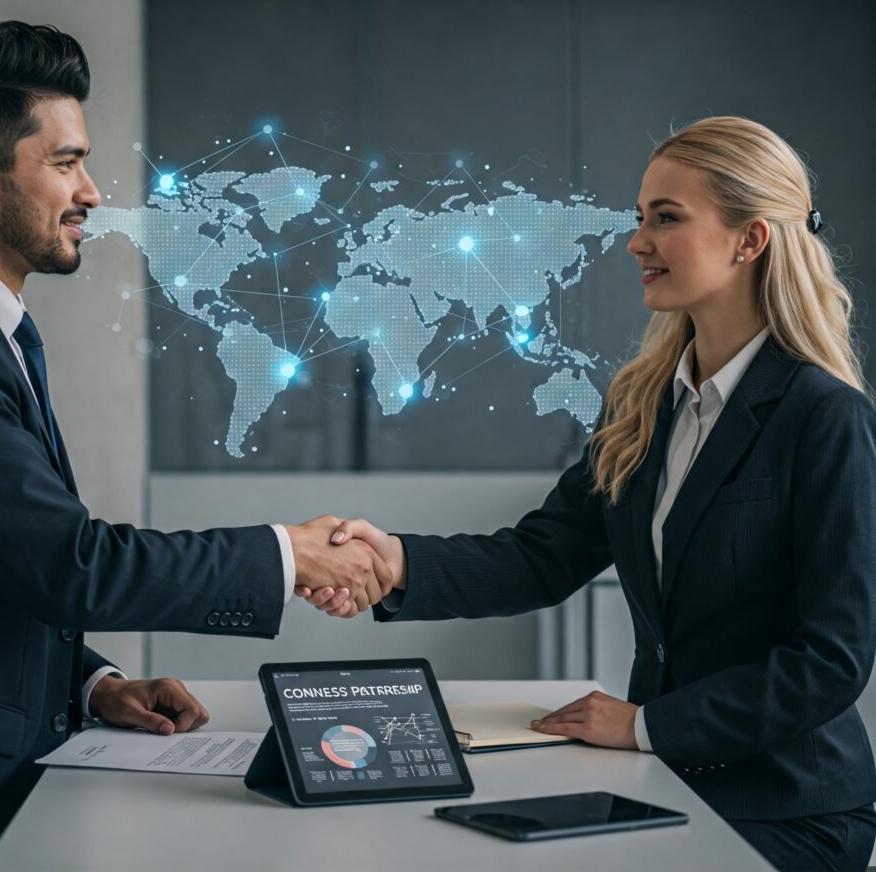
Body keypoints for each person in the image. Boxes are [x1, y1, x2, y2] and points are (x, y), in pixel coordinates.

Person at [0, 19, 390, 872]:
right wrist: (288, 557)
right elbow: (71, 565)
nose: (93, 191)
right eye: (65, 161)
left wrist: (94, 685)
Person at [301, 116, 876, 872]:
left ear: (750, 239)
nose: (637, 242)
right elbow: (544, 556)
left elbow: (831, 660)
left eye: (666, 219)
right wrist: (394, 560)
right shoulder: (641, 402)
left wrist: (646, 726)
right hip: (663, 785)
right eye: (642, 218)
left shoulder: (824, 416)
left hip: (790, 808)